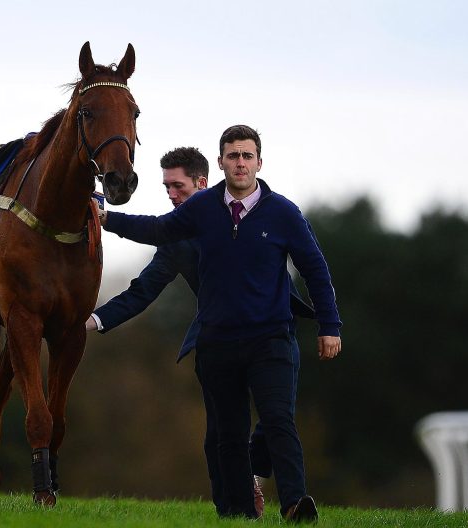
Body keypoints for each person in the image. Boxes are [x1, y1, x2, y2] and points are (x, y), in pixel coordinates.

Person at [99, 125, 342, 522]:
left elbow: (314, 269)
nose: (240, 163)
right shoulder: (202, 208)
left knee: (279, 420)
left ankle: (296, 503)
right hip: (217, 343)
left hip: (271, 339)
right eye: (233, 156)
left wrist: (330, 325)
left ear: (259, 163)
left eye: (247, 156)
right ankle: (241, 513)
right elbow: (158, 230)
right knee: (228, 436)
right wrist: (108, 219)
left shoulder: (283, 213)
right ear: (220, 162)